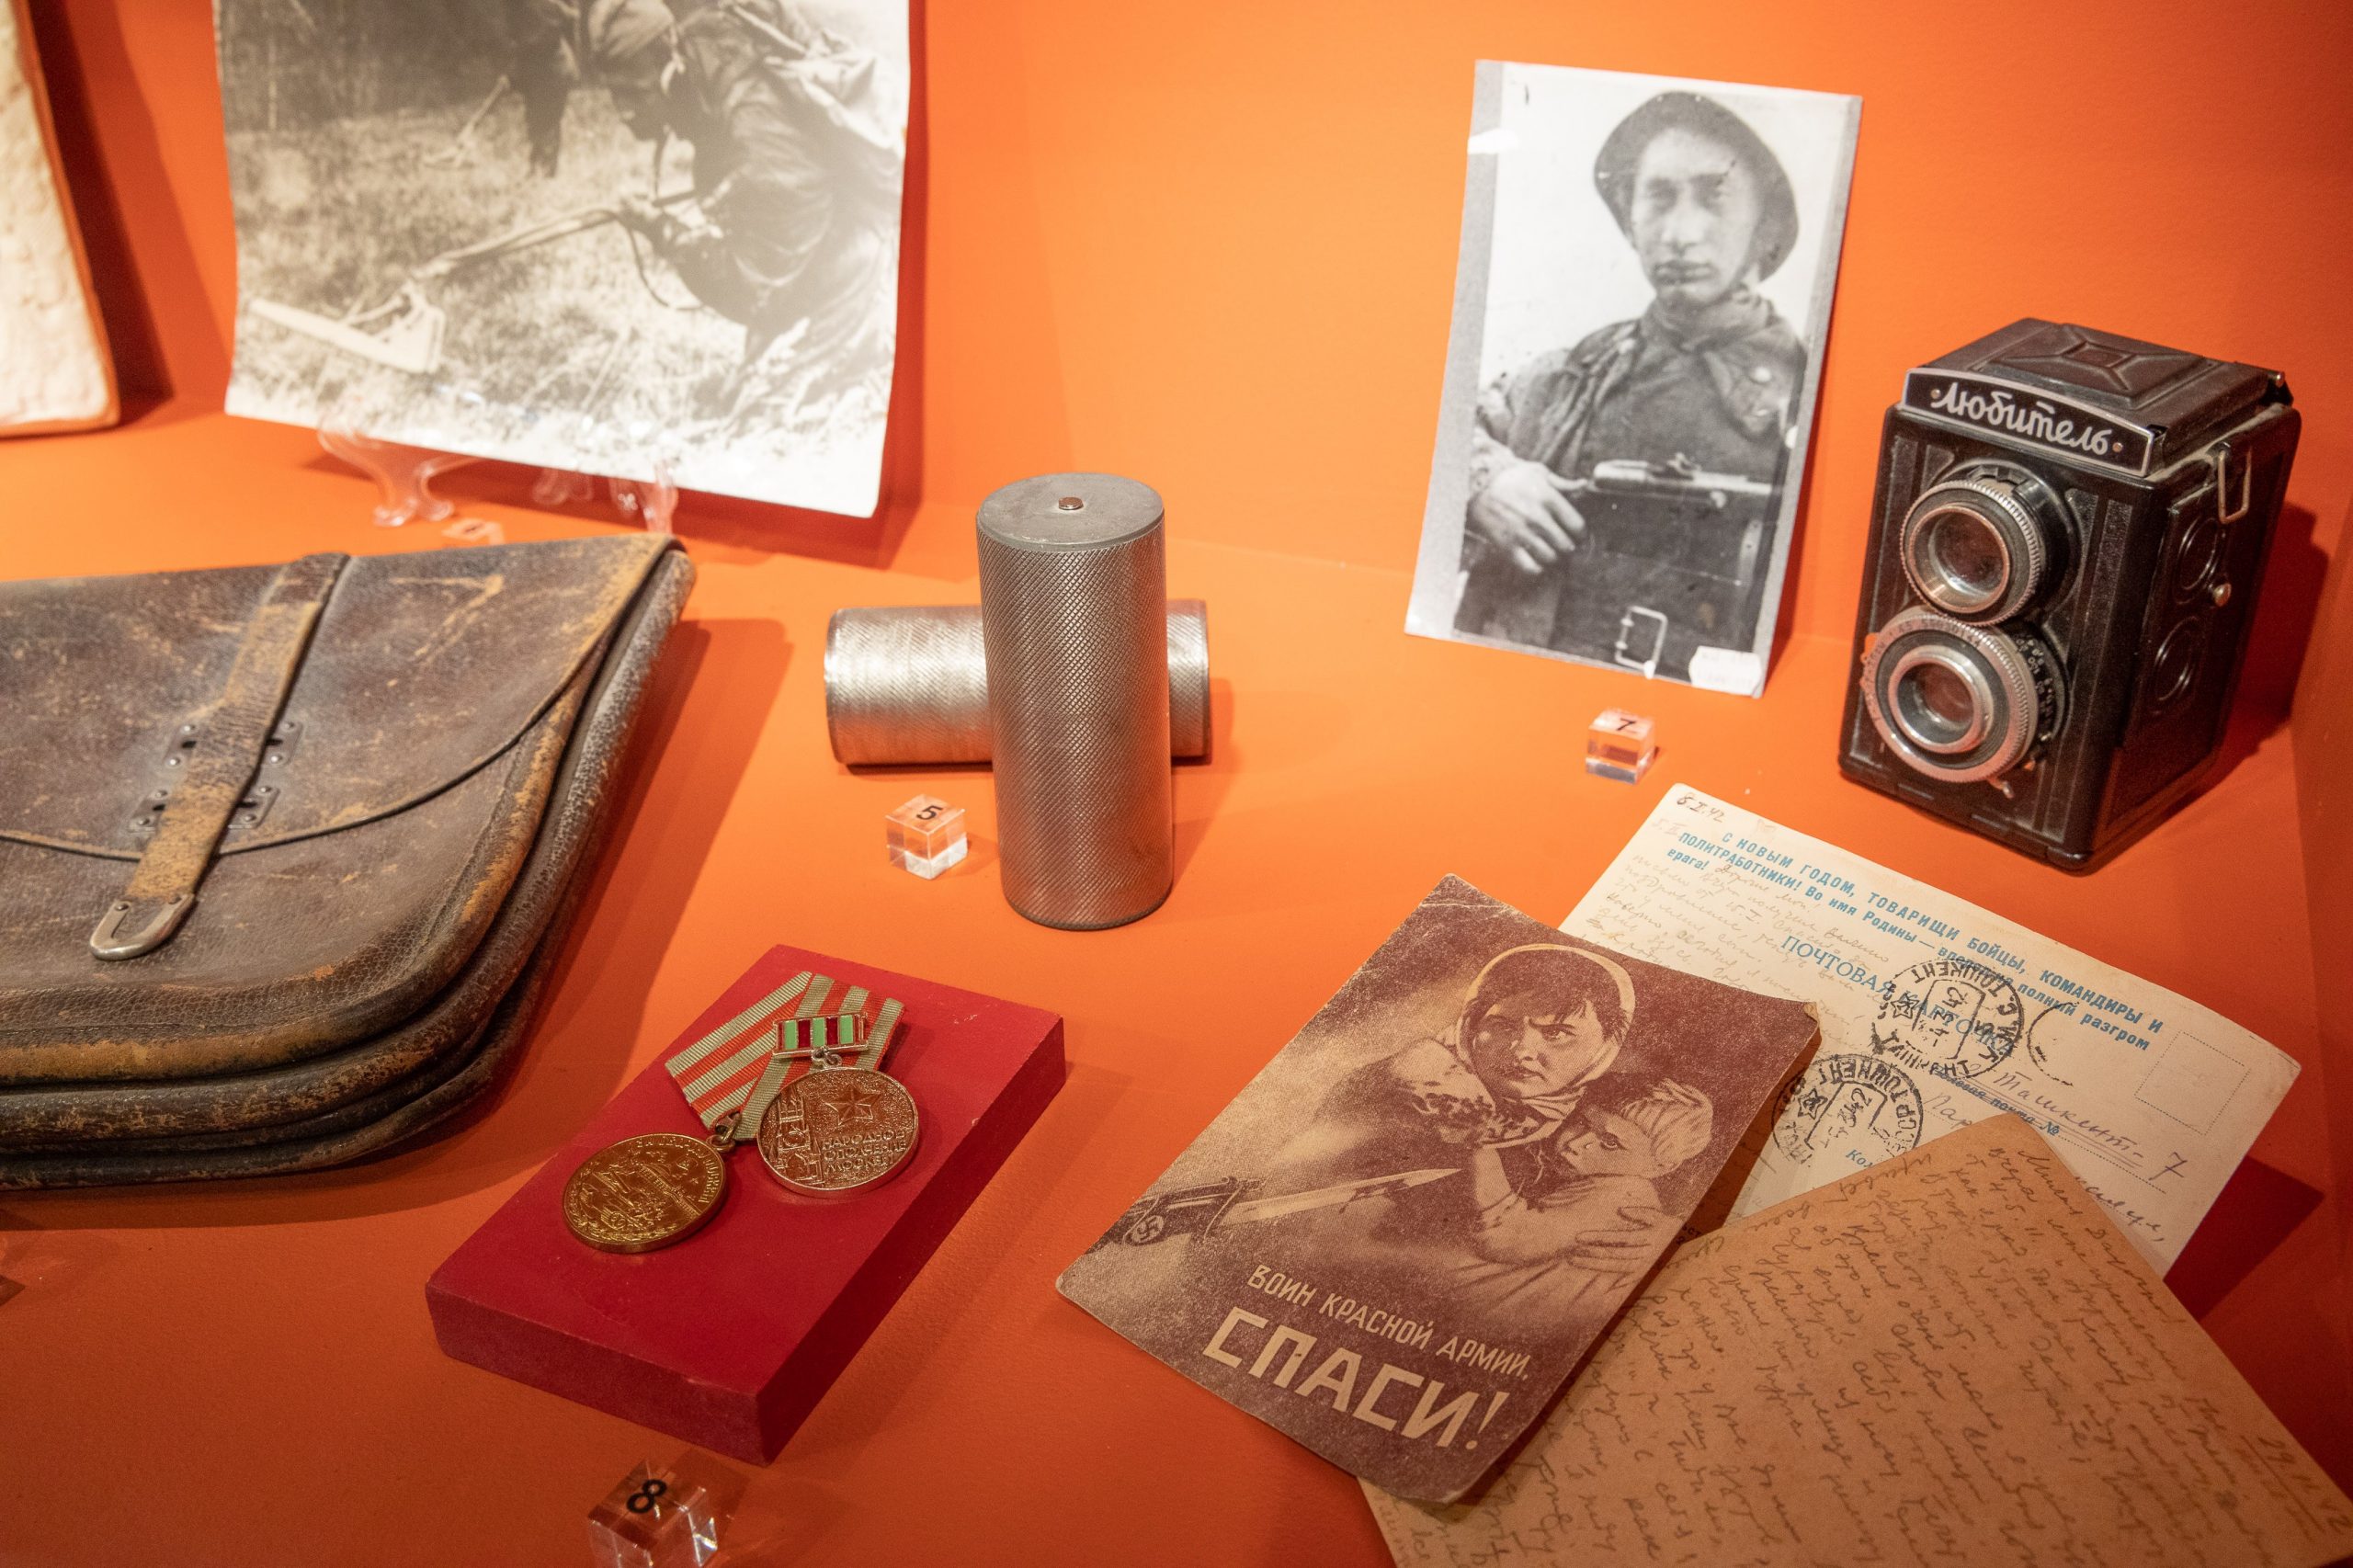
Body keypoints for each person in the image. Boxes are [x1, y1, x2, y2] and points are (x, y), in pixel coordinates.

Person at [1455, 92, 1805, 676]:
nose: (1681, 232)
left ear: (1764, 223)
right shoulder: (1566, 378)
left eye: (1713, 196)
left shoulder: (1808, 403)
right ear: (1630, 220)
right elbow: (1428, 434)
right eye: (1659, 197)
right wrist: (1484, 480)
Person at [1265, 944, 1680, 1284]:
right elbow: (1294, 1200)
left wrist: (1663, 1238)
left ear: (1606, 1046)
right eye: (1502, 1025)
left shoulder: (1597, 1111)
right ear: (1470, 1023)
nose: (1522, 1050)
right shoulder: (1418, 1085)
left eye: (1556, 1033)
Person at [582, 0, 898, 397]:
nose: (624, 112)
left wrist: (662, 231)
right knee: (741, 391)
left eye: (633, 91)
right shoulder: (707, 67)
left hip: (864, 268)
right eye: (615, 94)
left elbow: (757, 295)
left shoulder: (753, 123)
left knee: (774, 413)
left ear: (668, 59)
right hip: (827, 253)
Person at [1448, 1080, 1713, 1321]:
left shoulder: (1624, 1197)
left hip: (1503, 1317)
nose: (1576, 1143)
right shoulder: (1605, 1182)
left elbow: (1504, 1235)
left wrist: (1480, 1145)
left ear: (1661, 1166)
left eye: (1610, 1143)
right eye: (1584, 1124)